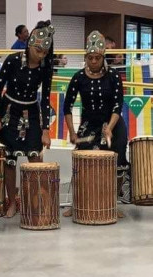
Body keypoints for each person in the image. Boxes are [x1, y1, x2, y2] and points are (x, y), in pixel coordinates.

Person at [0, 20, 54, 218]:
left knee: (36, 156)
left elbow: (45, 99)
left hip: (32, 113)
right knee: (9, 160)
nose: (41, 54)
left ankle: (36, 202)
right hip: (9, 111)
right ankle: (11, 202)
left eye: (44, 52)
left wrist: (46, 130)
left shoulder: (46, 67)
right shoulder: (12, 60)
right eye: (38, 50)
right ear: (29, 44)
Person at [62, 30, 128, 217]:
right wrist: (73, 132)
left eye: (97, 58)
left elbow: (118, 104)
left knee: (118, 160)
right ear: (85, 57)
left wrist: (110, 128)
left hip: (113, 122)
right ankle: (78, 203)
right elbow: (66, 107)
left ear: (103, 56)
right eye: (90, 58)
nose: (93, 61)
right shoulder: (78, 77)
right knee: (81, 163)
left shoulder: (114, 76)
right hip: (89, 124)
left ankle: (112, 203)